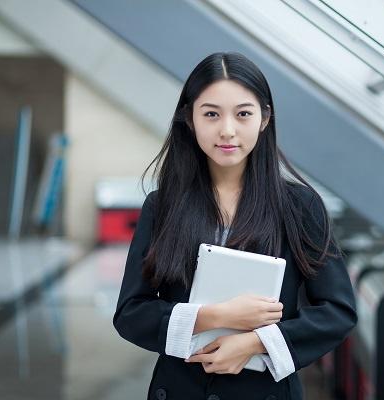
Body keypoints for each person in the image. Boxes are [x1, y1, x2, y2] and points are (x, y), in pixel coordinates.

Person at [113, 51, 358, 400]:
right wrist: (214, 316)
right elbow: (131, 313)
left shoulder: (300, 207)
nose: (227, 130)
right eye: (211, 114)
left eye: (243, 114)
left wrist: (256, 343)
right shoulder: (162, 206)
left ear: (264, 118)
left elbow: (337, 311)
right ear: (189, 118)